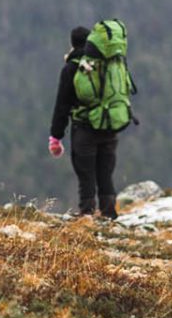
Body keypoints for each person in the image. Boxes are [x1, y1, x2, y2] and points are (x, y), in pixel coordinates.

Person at [48, 19, 137, 219]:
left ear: (72, 44)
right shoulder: (109, 64)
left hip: (85, 128)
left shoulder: (72, 68)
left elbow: (62, 105)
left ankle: (87, 212)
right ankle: (108, 212)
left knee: (86, 173)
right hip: (110, 126)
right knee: (105, 172)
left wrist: (56, 136)